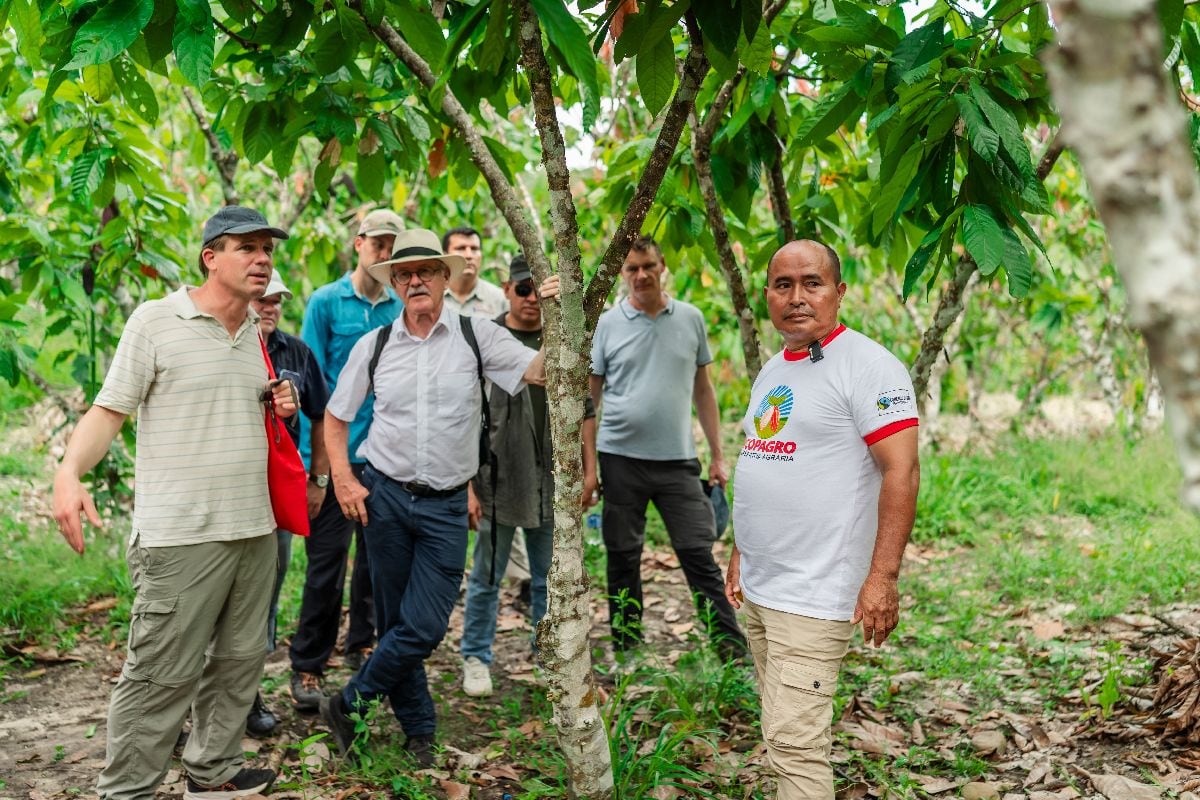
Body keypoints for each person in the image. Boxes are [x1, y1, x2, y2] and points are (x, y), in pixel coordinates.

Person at [51, 206, 296, 800]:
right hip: (181, 536)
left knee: (239, 663)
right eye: (247, 247)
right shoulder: (157, 321)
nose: (262, 259)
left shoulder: (253, 336)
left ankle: (213, 771)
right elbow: (110, 410)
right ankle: (126, 790)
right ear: (211, 256)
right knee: (161, 674)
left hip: (254, 530)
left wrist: (278, 404)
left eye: (267, 249)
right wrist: (69, 471)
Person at [319, 229, 545, 766]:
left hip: (447, 504)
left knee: (424, 624)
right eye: (403, 273)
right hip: (386, 497)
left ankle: (350, 702)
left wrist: (561, 308)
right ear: (394, 283)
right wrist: (346, 481)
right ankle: (419, 730)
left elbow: (538, 370)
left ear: (447, 277)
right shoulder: (374, 346)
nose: (415, 279)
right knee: (399, 619)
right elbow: (335, 417)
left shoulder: (476, 337)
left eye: (425, 270)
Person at [724, 240, 920, 800]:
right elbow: (765, 455)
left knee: (795, 746)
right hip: (764, 587)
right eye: (783, 285)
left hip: (814, 592)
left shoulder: (869, 366)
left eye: (811, 283)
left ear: (839, 292)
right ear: (767, 296)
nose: (797, 297)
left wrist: (882, 577)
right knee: (781, 732)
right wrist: (744, 548)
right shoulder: (773, 370)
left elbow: (901, 472)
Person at [590, 236, 747, 660]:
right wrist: (587, 466)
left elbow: (704, 390)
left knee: (698, 552)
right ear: (622, 274)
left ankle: (731, 652)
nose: (641, 275)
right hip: (619, 457)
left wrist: (717, 456)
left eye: (648, 266)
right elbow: (591, 397)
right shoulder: (607, 324)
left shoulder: (691, 319)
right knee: (623, 555)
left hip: (678, 460)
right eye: (632, 268)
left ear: (662, 267)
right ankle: (627, 649)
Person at [460, 256, 599, 697]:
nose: (531, 300)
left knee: (548, 577)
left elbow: (585, 406)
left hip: (552, 479)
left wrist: (590, 469)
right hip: (498, 477)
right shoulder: (488, 336)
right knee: (487, 577)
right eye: (523, 289)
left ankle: (548, 658)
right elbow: (462, 412)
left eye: (538, 291)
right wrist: (467, 483)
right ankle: (475, 657)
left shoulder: (559, 335)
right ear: (507, 288)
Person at [289, 209, 403, 712]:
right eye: (377, 244)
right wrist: (317, 470)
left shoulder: (399, 306)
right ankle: (308, 665)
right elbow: (310, 385)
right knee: (325, 566)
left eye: (391, 246)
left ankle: (361, 644)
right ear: (358, 245)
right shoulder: (326, 302)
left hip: (384, 457)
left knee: (376, 564)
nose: (384, 253)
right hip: (337, 456)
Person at [246, 273, 330, 737]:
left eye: (276, 300)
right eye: (262, 298)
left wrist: (318, 479)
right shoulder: (223, 346)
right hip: (228, 487)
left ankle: (247, 691)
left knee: (266, 590)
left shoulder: (296, 353)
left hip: (276, 488)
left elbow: (321, 415)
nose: (269, 307)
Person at [441, 226, 506, 317]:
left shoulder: (500, 299)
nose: (469, 255)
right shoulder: (432, 297)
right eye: (461, 248)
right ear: (445, 256)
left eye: (474, 249)